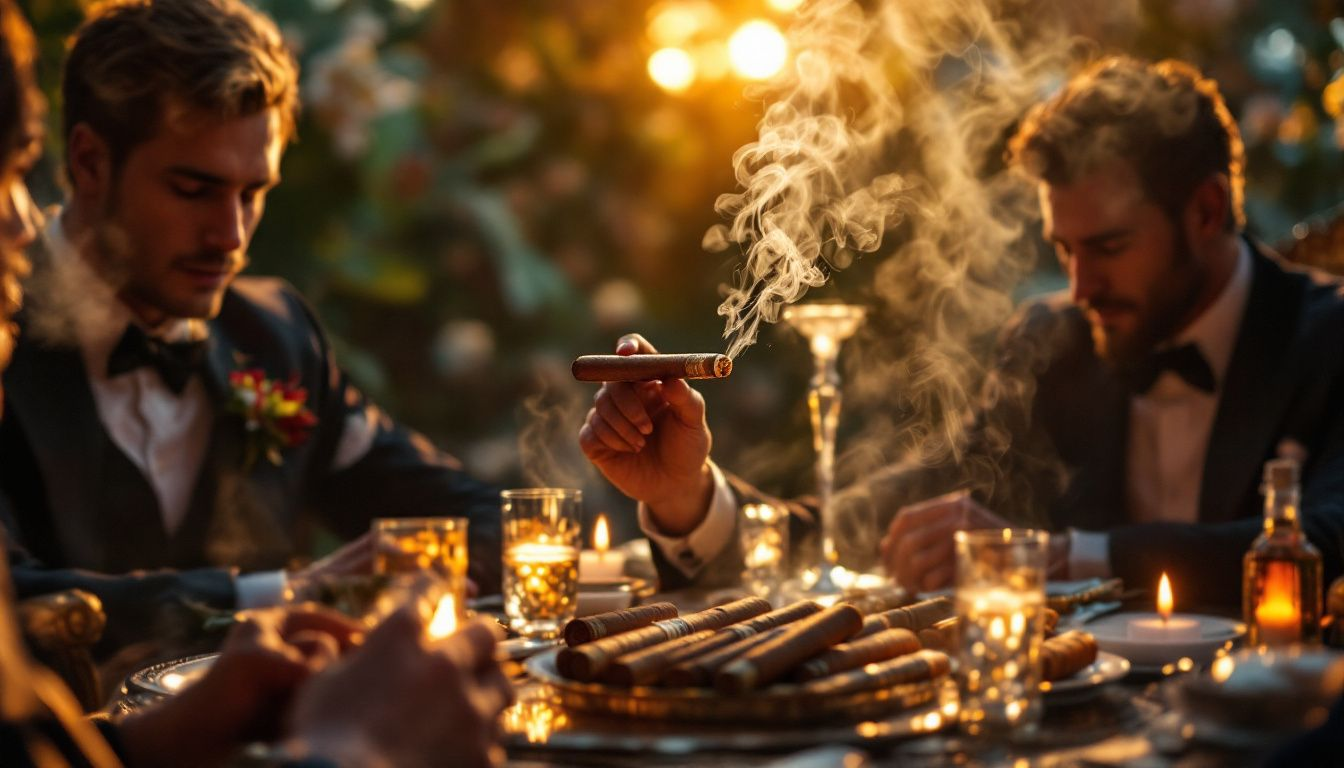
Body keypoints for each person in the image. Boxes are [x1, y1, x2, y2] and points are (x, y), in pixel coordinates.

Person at [580, 57, 1344, 608]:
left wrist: (1054, 558)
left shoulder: (1329, 339)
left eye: (1108, 248)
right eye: (1062, 250)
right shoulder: (1056, 341)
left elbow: (1333, 539)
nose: (1079, 288)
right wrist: (688, 497)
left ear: (1207, 213)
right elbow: (875, 519)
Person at [0, 4, 511, 764]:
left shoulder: (271, 335)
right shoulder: (4, 331)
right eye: (194, 188)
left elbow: (458, 515)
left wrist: (674, 509)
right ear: (89, 162)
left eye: (253, 191)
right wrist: (277, 597)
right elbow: (24, 601)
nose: (231, 236)